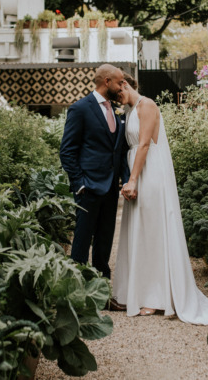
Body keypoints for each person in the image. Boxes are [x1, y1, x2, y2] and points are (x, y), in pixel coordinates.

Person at [112, 74, 208, 324]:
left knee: (152, 231)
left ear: (126, 84)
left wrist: (133, 179)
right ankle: (139, 291)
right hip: (138, 170)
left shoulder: (147, 105)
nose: (119, 99)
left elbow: (144, 145)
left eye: (119, 93)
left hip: (149, 173)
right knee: (140, 231)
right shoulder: (130, 110)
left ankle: (156, 296)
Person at [59, 64, 131, 300]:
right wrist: (79, 183)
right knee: (81, 242)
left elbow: (118, 151)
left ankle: (100, 293)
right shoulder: (80, 109)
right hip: (88, 187)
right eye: (120, 82)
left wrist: (126, 180)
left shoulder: (117, 110)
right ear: (107, 81)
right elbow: (67, 151)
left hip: (110, 187)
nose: (123, 86)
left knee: (104, 241)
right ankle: (76, 294)